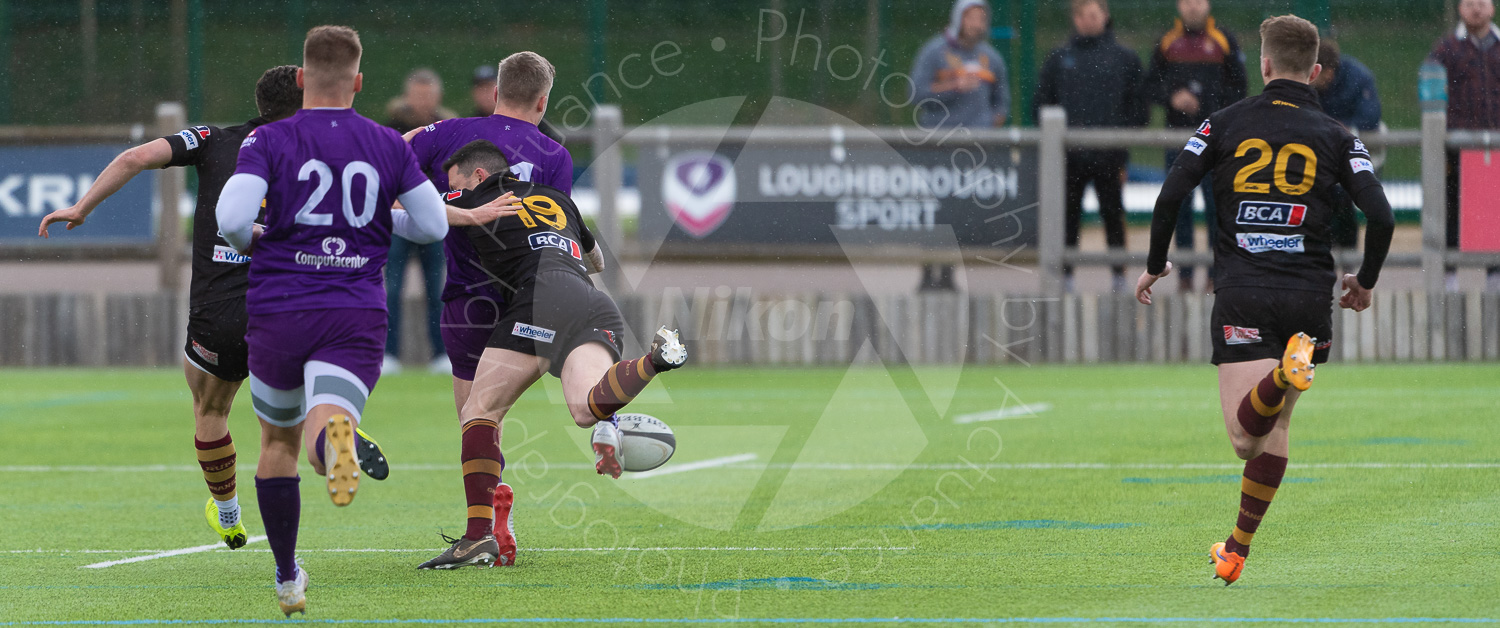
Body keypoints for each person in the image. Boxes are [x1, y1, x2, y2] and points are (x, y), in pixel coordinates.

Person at [37, 65, 392, 551]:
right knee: (297, 408)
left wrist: (81, 208)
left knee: (211, 407)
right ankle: (330, 435)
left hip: (220, 311)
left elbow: (138, 156)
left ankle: (227, 514)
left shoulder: (212, 138)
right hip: (294, 303)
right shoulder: (326, 151)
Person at [1135, 15, 1394, 585]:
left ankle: (1282, 375)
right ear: (1317, 72)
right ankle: (1235, 550)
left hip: (1245, 291)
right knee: (1271, 434)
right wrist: (1366, 280)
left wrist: (1156, 265)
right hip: (1308, 299)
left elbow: (1171, 194)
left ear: (1266, 64)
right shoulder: (1338, 135)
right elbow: (1380, 212)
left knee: (1241, 436)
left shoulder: (1222, 124)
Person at [214, 25, 452, 616]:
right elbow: (434, 227)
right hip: (352, 308)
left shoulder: (267, 139)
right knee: (328, 420)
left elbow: (231, 218)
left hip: (278, 307)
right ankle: (334, 440)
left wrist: (261, 237)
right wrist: (373, 222)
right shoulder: (388, 143)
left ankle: (288, 576)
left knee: (276, 442)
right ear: (360, 81)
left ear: (299, 79)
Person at [416, 140, 687, 570]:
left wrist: (470, 215)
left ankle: (476, 538)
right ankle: (654, 359)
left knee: (479, 410)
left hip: (540, 298)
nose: (455, 189)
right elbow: (596, 260)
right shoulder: (558, 198)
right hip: (593, 301)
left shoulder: (473, 195)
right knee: (584, 409)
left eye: (456, 182)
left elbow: (416, 212)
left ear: (478, 177)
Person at [404, 51, 575, 568]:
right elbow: (554, 230)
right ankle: (611, 418)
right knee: (567, 395)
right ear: (543, 101)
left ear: (496, 91)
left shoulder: (444, 133)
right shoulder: (553, 154)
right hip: (525, 297)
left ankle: (485, 527)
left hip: (466, 299)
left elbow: (392, 158)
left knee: (476, 419)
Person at [1033, 0, 1145, 292]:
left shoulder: (1124, 59)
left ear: (1105, 16)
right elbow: (1041, 106)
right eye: (1081, 15)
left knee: (1113, 216)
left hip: (1110, 158)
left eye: (1093, 14)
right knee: (1067, 217)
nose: (1087, 20)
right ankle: (1064, 279)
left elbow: (1138, 110)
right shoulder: (1059, 58)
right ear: (1074, 18)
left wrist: (1120, 144)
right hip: (1069, 159)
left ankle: (1120, 279)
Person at [1145, 0, 1248, 292]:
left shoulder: (1225, 41)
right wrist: (1172, 98)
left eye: (1198, 1)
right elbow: (1150, 85)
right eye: (1187, 1)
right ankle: (1185, 277)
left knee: (1219, 209)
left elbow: (1240, 87)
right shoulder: (1166, 42)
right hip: (1179, 143)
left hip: (1217, 143)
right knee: (1179, 208)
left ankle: (1217, 276)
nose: (1193, 7)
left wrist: (1214, 110)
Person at [383, 68, 457, 375]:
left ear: (437, 96)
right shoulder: (392, 126)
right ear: (407, 95)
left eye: (428, 94)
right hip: (399, 216)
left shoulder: (447, 127)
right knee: (392, 288)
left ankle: (441, 354)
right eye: (418, 93)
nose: (423, 99)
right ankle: (389, 354)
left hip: (433, 217)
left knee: (437, 288)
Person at [1427, 0, 1500, 291]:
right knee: (1451, 212)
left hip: (1496, 153)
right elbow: (1431, 92)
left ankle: (1495, 284)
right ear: (1460, 8)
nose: (1476, 9)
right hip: (1456, 154)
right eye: (1470, 3)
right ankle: (1449, 284)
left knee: (1496, 217)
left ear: (1492, 8)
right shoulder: (1445, 50)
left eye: (1482, 3)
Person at [1311, 38, 1382, 251]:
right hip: (1321, 157)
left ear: (1328, 72)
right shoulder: (1309, 81)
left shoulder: (1359, 77)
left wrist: (1342, 129)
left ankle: (1348, 258)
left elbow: (1371, 118)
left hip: (1352, 152)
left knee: (1345, 197)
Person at [911, 0, 1009, 129]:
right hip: (938, 139)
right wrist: (954, 86)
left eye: (981, 19)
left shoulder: (992, 57)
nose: (976, 24)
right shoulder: (934, 51)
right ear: (957, 18)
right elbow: (916, 94)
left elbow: (1002, 102)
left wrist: (990, 125)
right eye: (971, 18)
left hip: (980, 141)